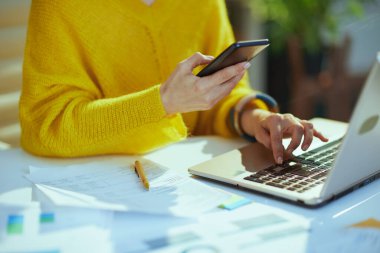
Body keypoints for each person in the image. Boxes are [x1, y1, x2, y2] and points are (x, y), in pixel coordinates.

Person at [20, 0, 328, 164]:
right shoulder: (59, 5)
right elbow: (46, 125)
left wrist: (256, 118)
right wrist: (162, 103)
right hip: (96, 199)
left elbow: (216, 99)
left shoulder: (204, 3)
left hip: (189, 188)